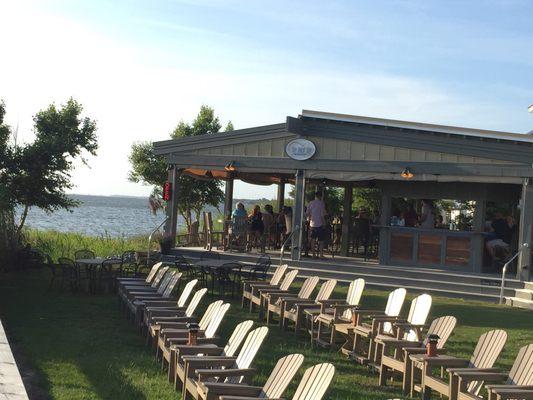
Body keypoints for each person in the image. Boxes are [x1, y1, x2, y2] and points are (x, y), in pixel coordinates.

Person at [306, 191, 327, 258]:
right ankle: (321, 254)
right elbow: (322, 215)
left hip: (312, 224)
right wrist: (324, 223)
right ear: (320, 196)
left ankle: (314, 254)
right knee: (321, 240)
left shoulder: (310, 203)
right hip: (320, 224)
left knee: (313, 240)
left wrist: (309, 220)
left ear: (315, 196)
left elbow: (307, 213)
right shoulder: (321, 203)